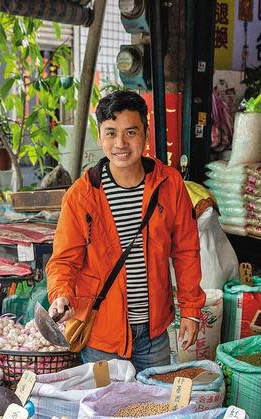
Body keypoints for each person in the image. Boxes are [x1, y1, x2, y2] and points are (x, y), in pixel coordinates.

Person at [46, 90, 205, 372]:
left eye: (130, 132)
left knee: (154, 410)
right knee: (104, 414)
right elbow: (64, 261)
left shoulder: (169, 184)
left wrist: (191, 312)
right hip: (101, 336)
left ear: (145, 133)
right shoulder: (81, 196)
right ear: (100, 137)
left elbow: (186, 251)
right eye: (110, 133)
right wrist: (61, 294)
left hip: (154, 334)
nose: (120, 143)